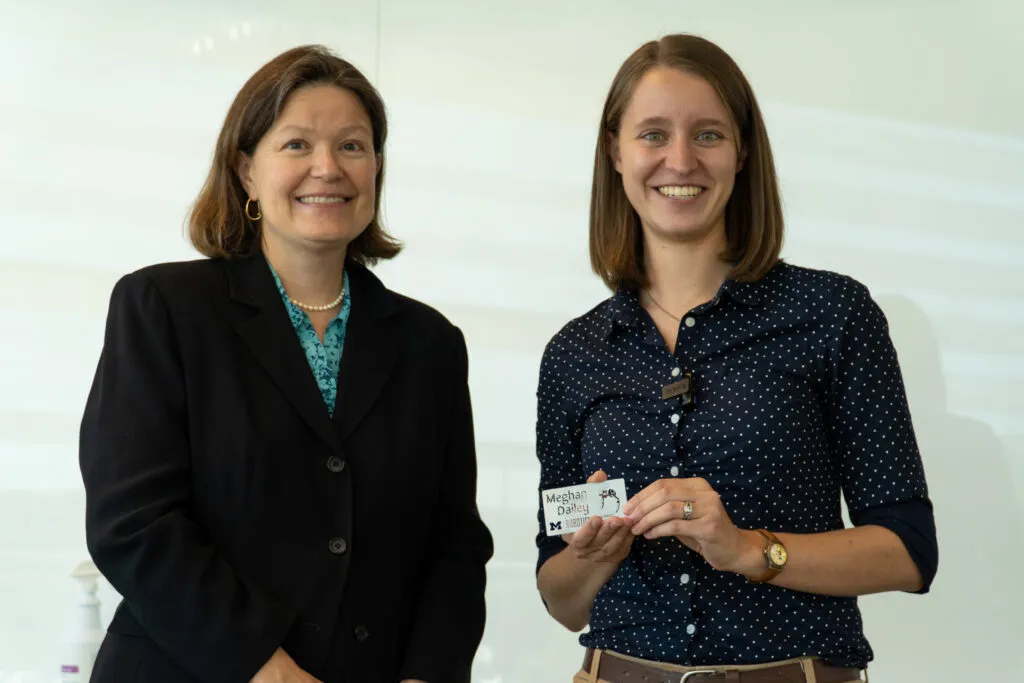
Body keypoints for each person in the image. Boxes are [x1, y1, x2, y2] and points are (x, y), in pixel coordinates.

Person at [80, 45, 493, 683]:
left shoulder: (429, 343)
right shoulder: (163, 307)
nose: (327, 168)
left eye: (352, 146)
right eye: (296, 144)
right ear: (247, 170)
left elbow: (454, 547)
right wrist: (264, 667)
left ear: (376, 168)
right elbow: (133, 524)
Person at [534, 34, 937, 683]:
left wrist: (750, 549)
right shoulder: (573, 354)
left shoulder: (832, 314)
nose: (680, 159)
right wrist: (594, 557)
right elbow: (560, 599)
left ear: (742, 151)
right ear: (615, 151)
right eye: (653, 134)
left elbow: (909, 551)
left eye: (708, 135)